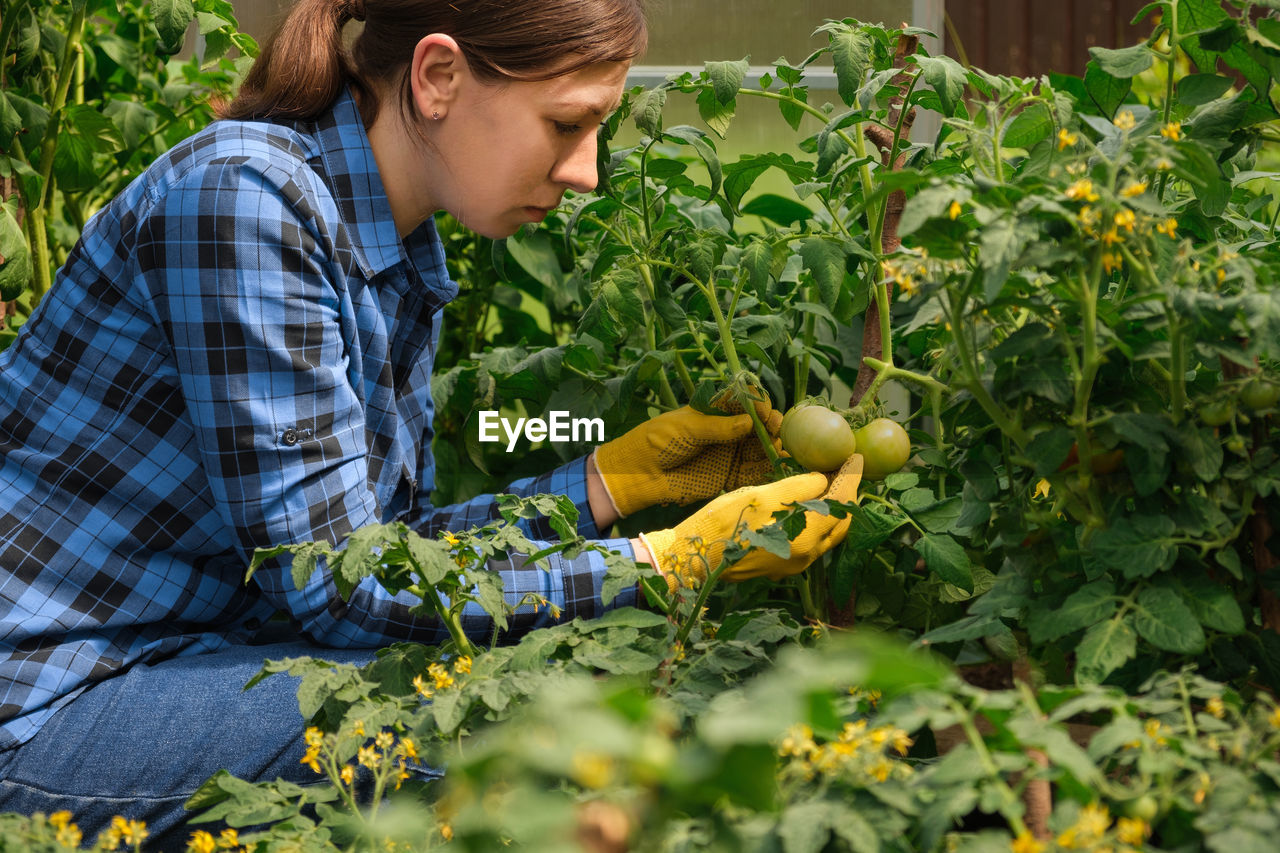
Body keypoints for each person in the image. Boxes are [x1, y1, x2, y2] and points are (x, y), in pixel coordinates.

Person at [0, 0, 861, 845]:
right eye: (567, 124)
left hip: (178, 668)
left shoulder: (392, 251)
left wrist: (606, 487)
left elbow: (385, 555)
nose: (587, 171)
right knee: (504, 722)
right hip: (45, 704)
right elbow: (344, 591)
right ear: (439, 75)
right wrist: (664, 564)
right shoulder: (246, 202)